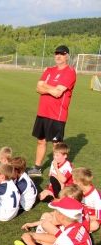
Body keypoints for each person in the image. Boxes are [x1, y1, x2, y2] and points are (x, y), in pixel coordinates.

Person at [28, 45, 77, 177]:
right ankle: (37, 168)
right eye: (56, 53)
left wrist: (46, 86)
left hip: (57, 114)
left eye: (61, 53)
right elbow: (38, 88)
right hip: (42, 112)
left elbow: (57, 93)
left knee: (57, 145)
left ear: (67, 56)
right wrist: (51, 88)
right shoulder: (49, 70)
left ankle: (58, 170)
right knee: (41, 141)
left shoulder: (70, 72)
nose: (58, 56)